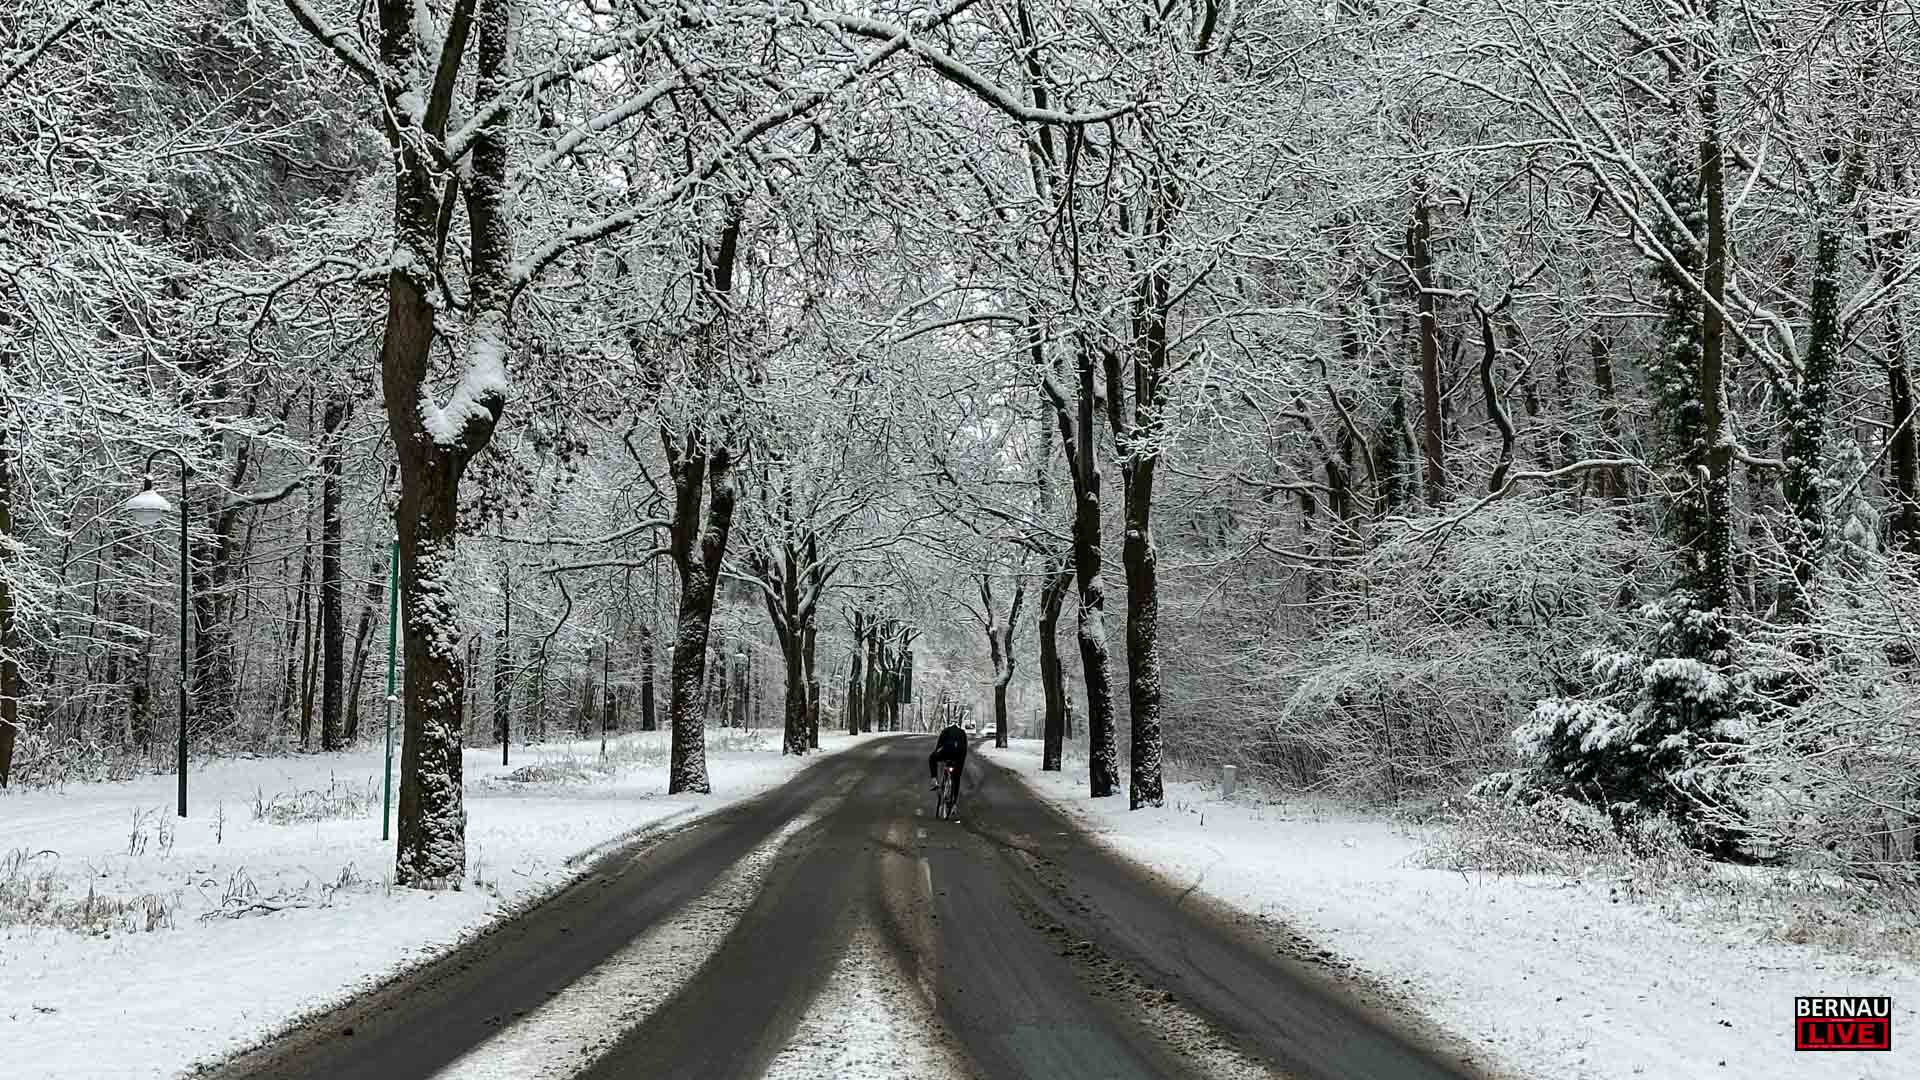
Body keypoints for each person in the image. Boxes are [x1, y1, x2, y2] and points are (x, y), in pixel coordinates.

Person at [928, 721, 968, 813]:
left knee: (932, 758)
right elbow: (965, 748)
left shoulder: (945, 731)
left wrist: (936, 753)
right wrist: (960, 765)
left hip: (946, 752)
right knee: (957, 778)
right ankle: (954, 804)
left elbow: (938, 747)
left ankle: (934, 779)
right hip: (959, 755)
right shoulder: (962, 732)